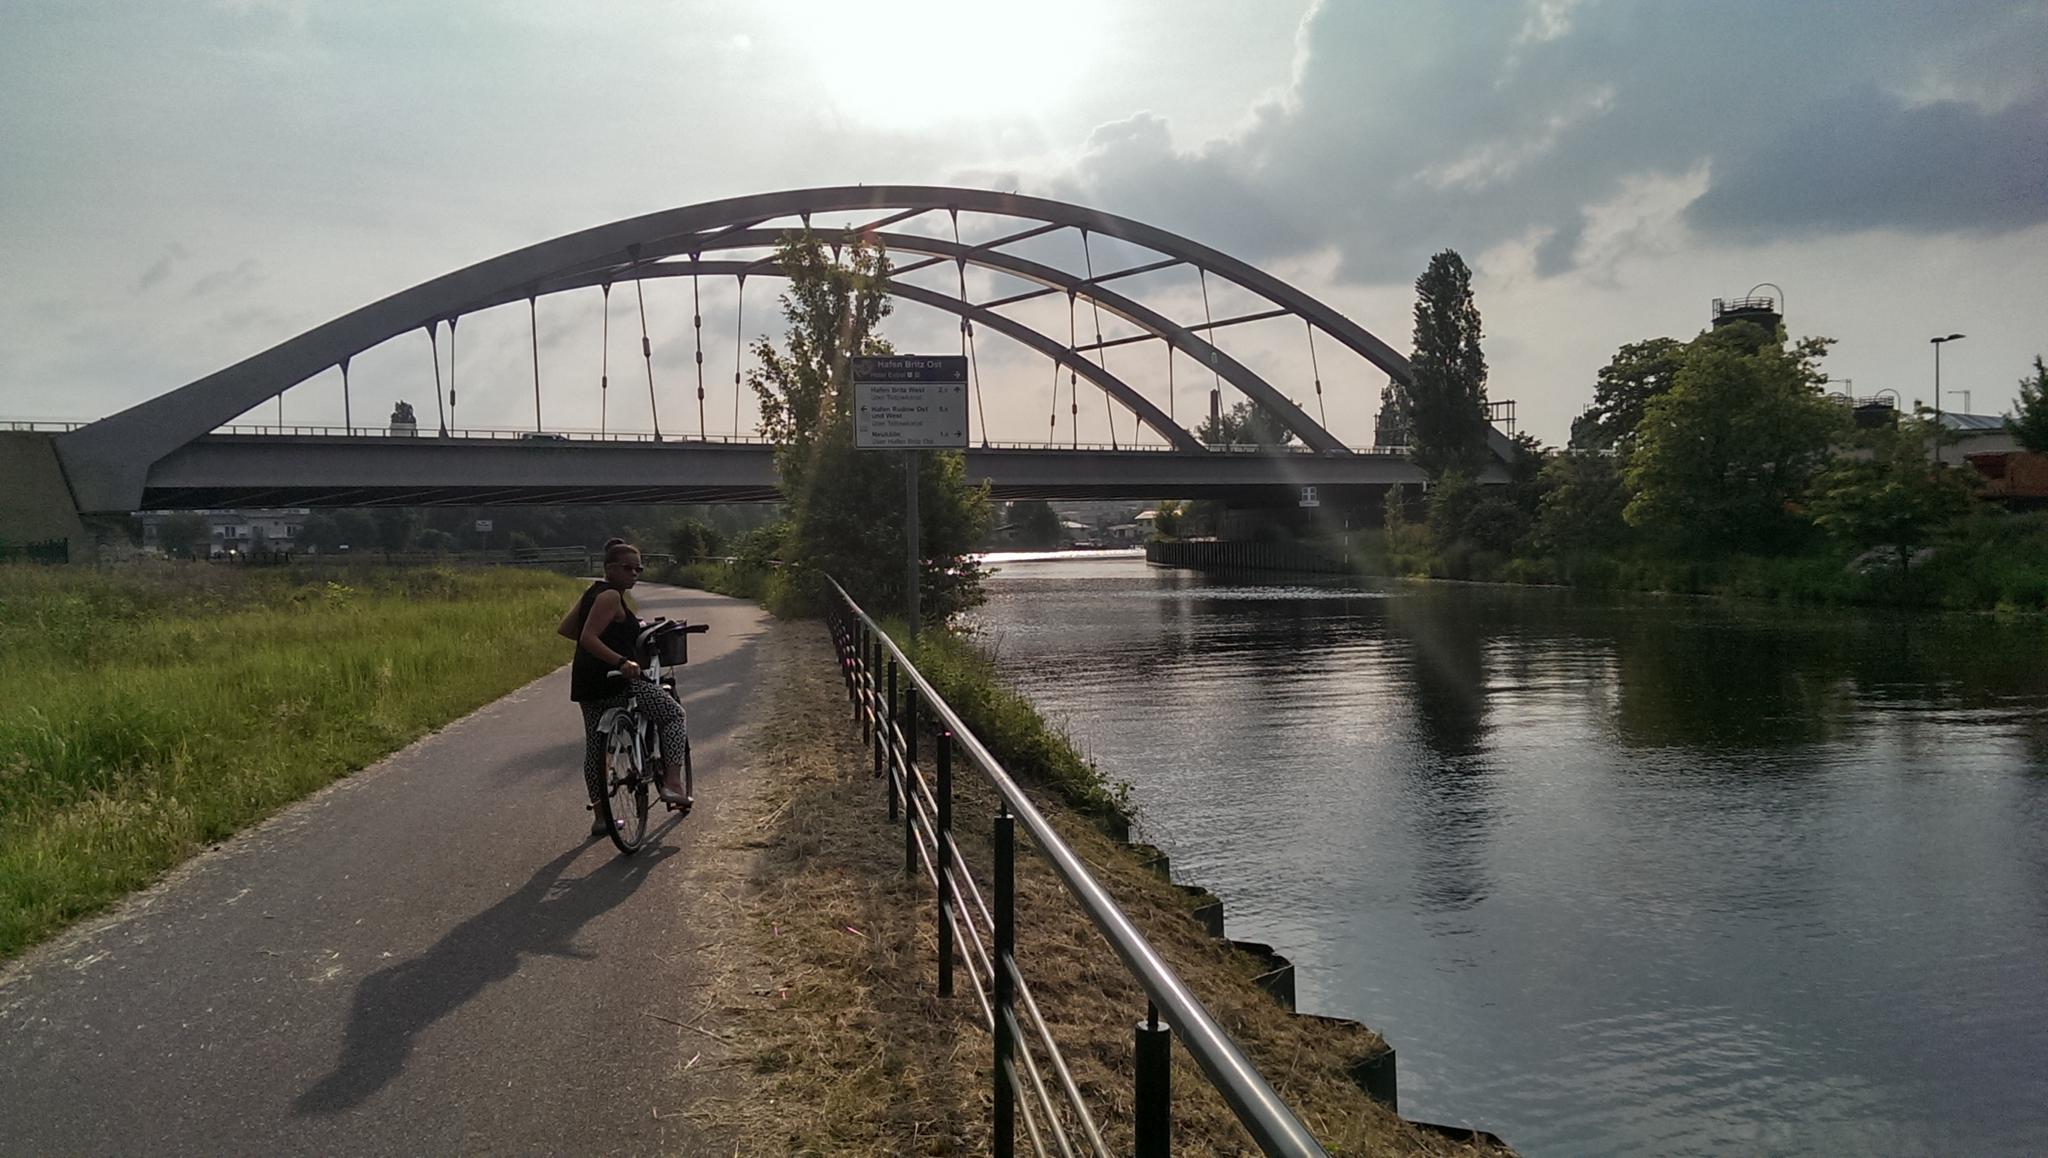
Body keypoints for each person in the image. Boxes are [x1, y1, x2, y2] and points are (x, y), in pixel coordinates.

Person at [557, 538, 691, 837]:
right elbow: (588, 637)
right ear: (609, 568)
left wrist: (620, 629)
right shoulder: (611, 598)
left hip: (587, 680)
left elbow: (567, 629)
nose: (634, 573)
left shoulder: (594, 592)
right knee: (672, 715)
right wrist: (619, 660)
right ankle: (673, 783)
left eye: (638, 568)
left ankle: (602, 818)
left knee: (596, 747)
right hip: (617, 679)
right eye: (627, 568)